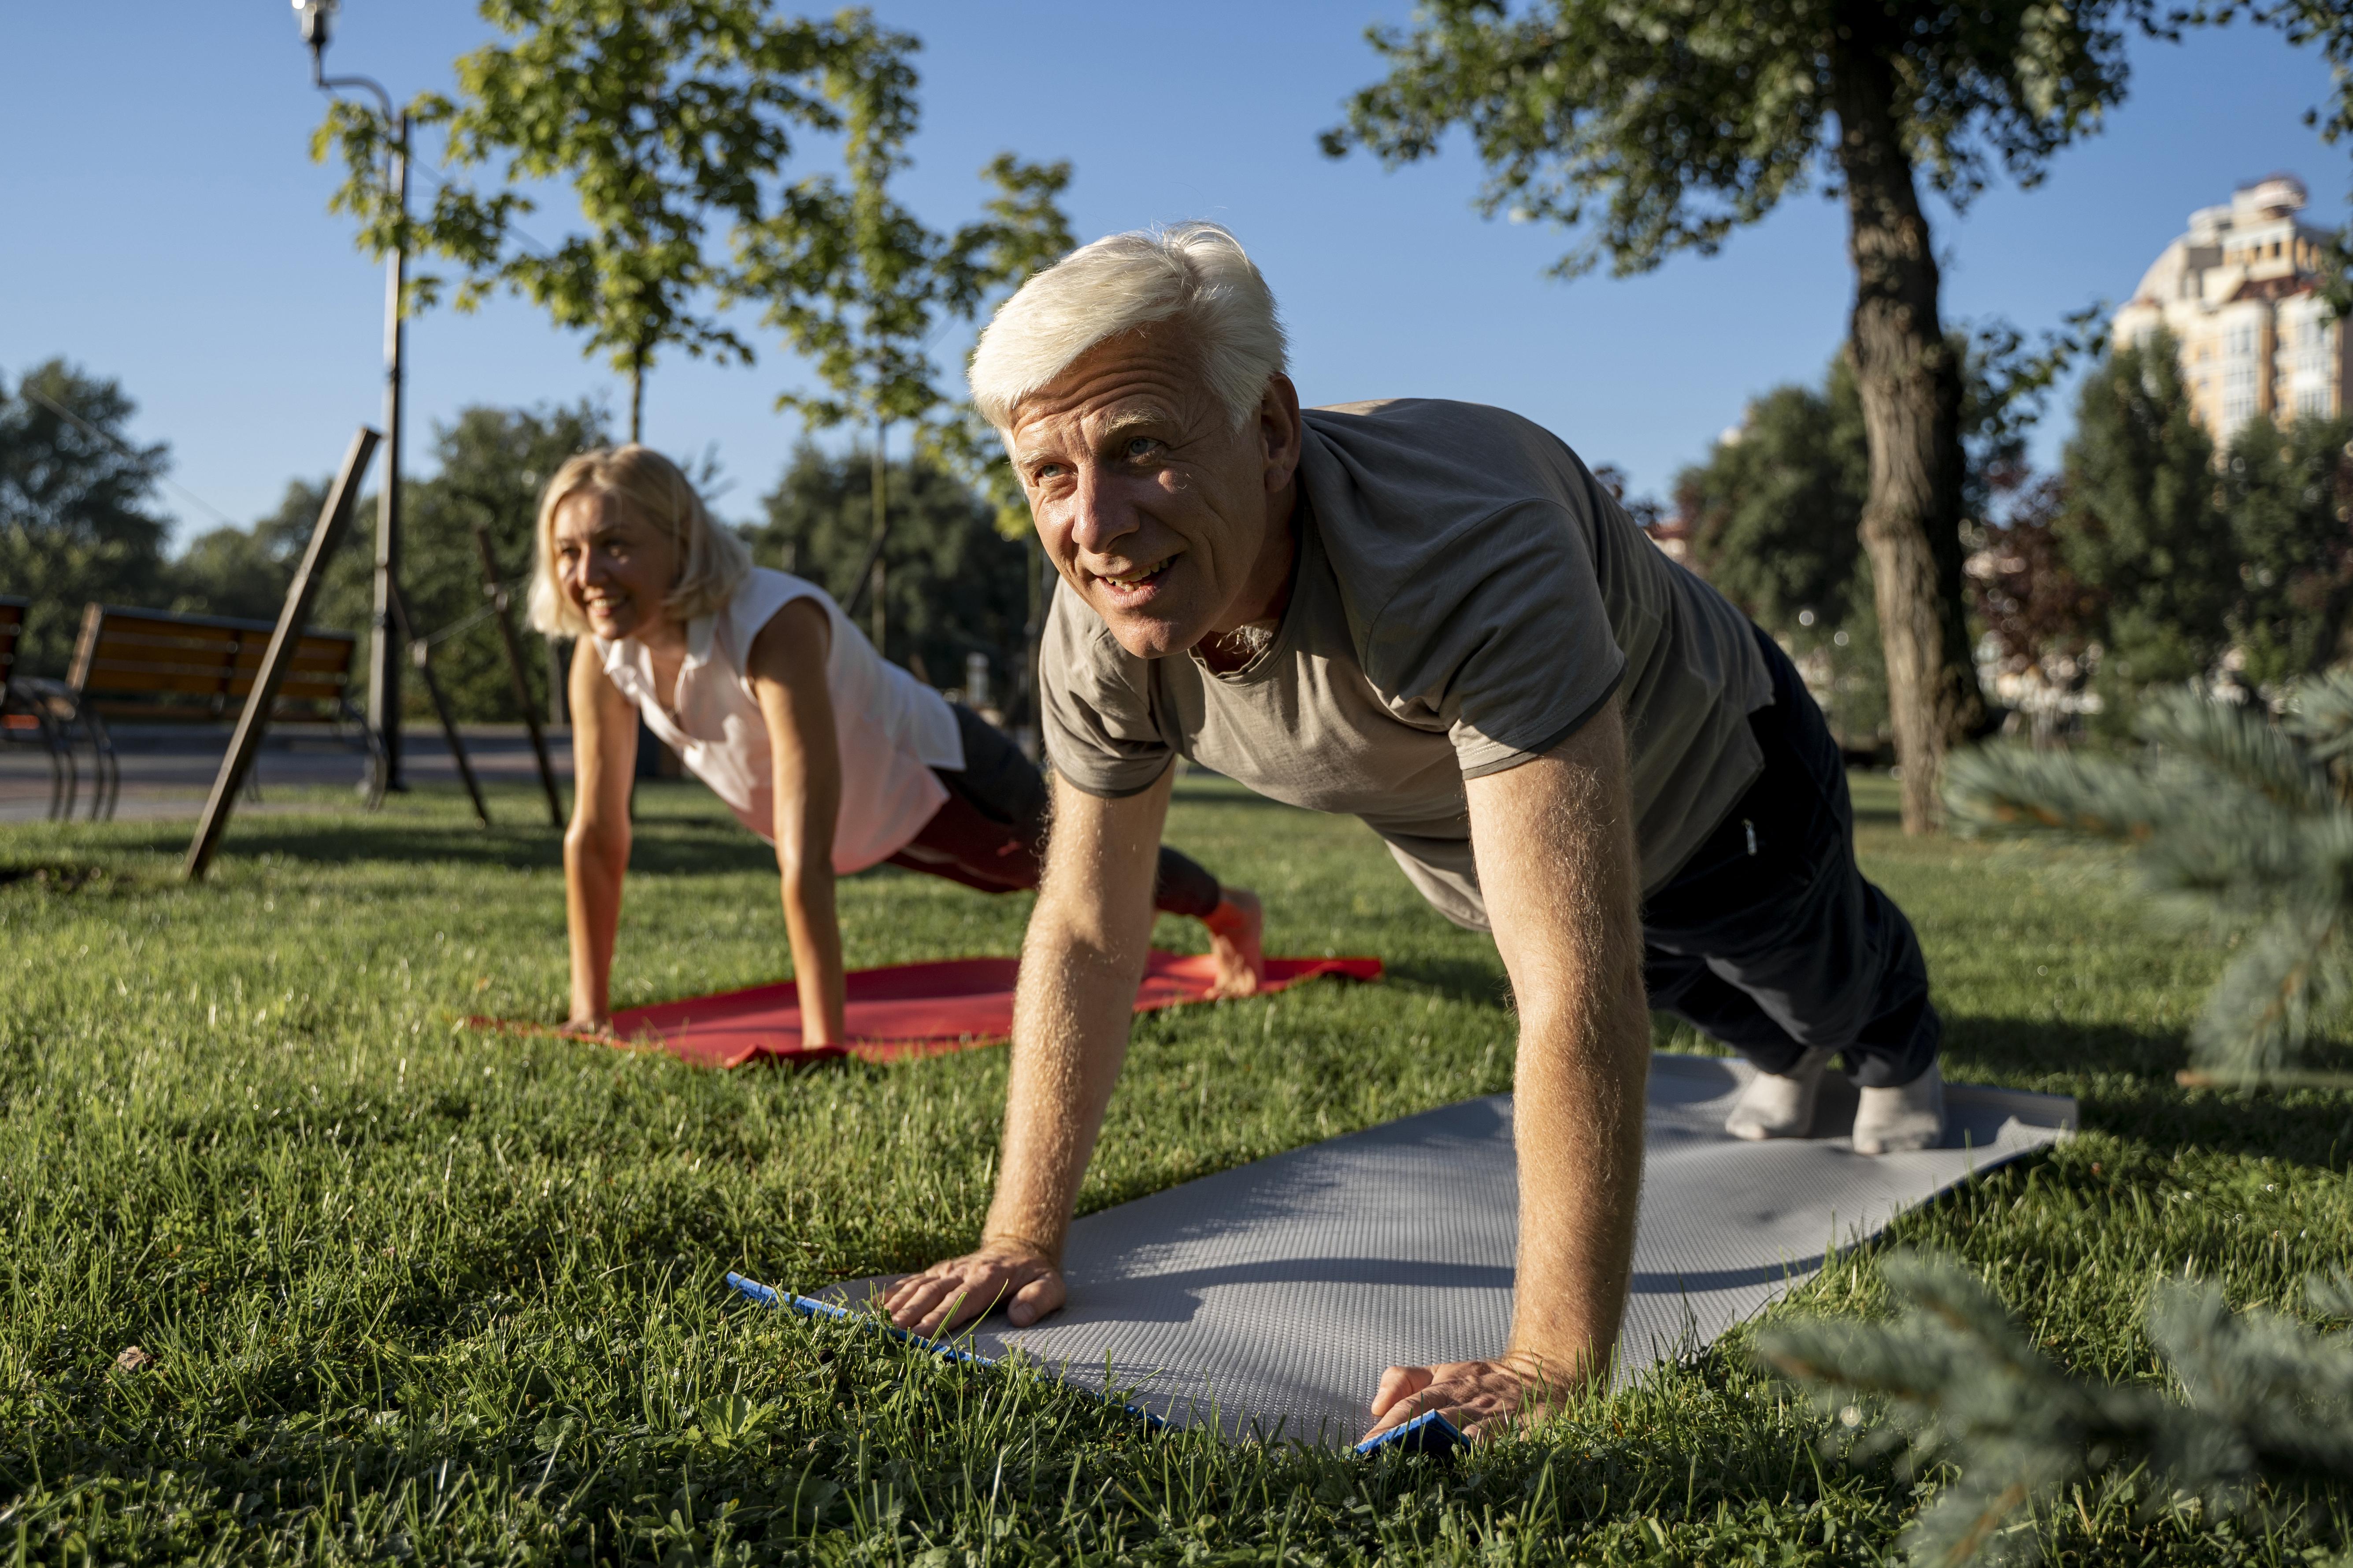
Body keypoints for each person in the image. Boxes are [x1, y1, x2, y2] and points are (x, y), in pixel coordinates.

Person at [879, 224, 1947, 1441]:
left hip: (1721, 781)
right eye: (1047, 476)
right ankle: (1783, 1051)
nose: (1096, 522)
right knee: (1694, 997)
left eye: (1141, 451)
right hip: (1488, 855)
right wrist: (1019, 1234)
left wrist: (1549, 1357)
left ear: (1271, 431)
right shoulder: (1100, 635)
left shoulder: (1457, 543)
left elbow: (1568, 981)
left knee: (1798, 968)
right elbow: (1082, 929)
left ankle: (1894, 1043)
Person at [527, 445, 1265, 1045]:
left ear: (681, 542)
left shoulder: (771, 627)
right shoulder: (604, 656)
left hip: (943, 778)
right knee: (1037, 877)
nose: (587, 576)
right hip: (869, 817)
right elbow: (595, 835)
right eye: (567, 553)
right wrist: (589, 1012)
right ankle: (1218, 905)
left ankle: (1227, 908)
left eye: (614, 546)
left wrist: (824, 1042)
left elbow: (804, 849)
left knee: (1071, 869)